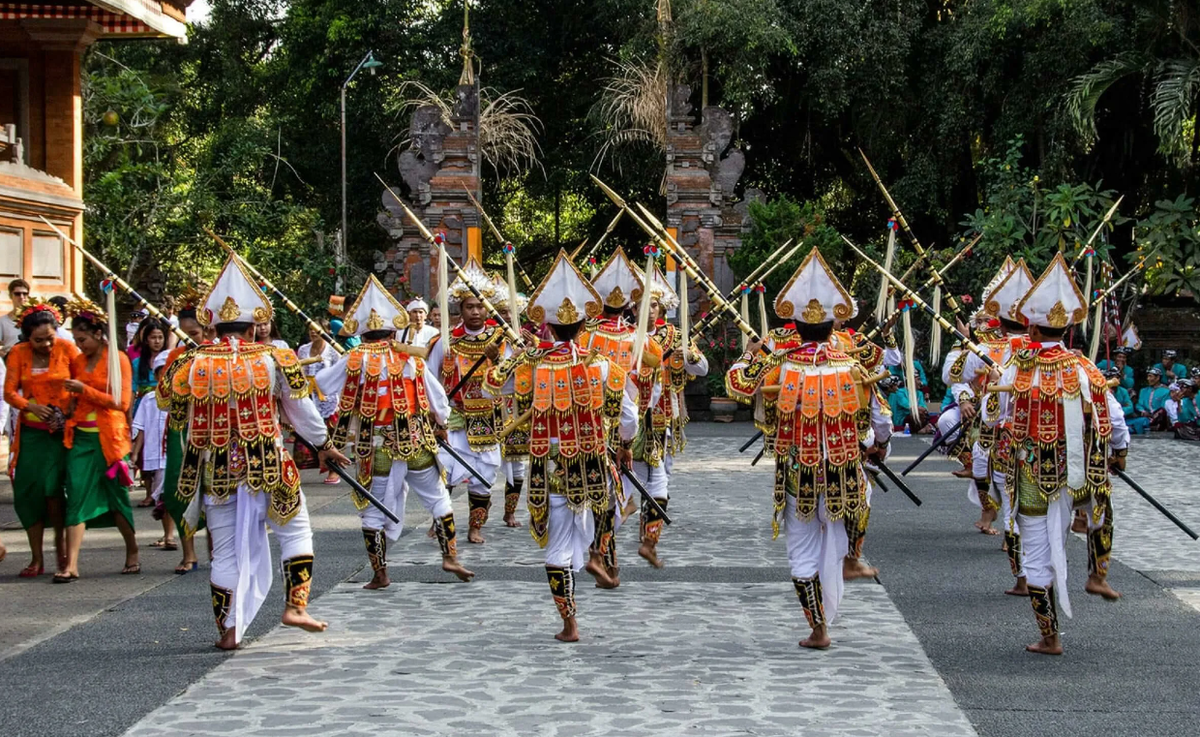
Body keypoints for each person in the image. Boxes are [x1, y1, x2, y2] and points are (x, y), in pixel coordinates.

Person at [160, 256, 348, 649]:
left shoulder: (189, 362)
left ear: (212, 322)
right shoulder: (273, 357)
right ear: (253, 324)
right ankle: (295, 607)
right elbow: (301, 411)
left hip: (215, 471)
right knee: (295, 531)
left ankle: (228, 631)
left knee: (225, 550)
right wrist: (324, 446)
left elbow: (175, 413)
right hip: (269, 463)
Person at [726, 248, 882, 650]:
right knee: (851, 513)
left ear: (793, 323)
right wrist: (877, 444)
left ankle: (819, 629)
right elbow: (878, 419)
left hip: (798, 473)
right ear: (837, 324)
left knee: (801, 551)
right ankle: (850, 561)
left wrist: (751, 353)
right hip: (846, 471)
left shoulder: (781, 362)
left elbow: (737, 384)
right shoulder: (852, 363)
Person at [483, 251, 639, 641]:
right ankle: (595, 556)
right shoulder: (599, 363)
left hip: (545, 467)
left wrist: (507, 356)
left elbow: (490, 385)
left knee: (556, 547)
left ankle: (570, 622)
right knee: (606, 510)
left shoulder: (529, 363)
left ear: (547, 325)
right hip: (590, 463)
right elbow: (629, 416)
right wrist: (625, 444)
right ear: (584, 324)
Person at [984, 253, 1129, 655]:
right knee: (1102, 508)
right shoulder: (1085, 368)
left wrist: (996, 392)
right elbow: (1115, 421)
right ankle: (1097, 573)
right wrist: (1119, 454)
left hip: (1031, 473)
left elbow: (991, 414)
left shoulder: (1015, 367)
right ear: (1066, 329)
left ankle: (1050, 636)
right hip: (1079, 474)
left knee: (1036, 555)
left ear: (1030, 325)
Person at [316, 276, 474, 589]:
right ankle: (450, 555)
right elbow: (437, 397)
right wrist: (441, 424)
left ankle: (380, 573)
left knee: (373, 510)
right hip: (416, 439)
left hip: (374, 444)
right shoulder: (409, 358)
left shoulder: (354, 358)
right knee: (438, 499)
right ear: (393, 329)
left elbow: (322, 385)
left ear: (363, 331)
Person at [577, 249, 662, 587]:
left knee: (607, 493)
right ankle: (600, 557)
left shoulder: (585, 336)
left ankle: (608, 566)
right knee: (614, 496)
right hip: (623, 421)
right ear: (629, 304)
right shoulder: (636, 337)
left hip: (588, 422)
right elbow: (655, 363)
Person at [952, 258, 1033, 549]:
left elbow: (954, 373)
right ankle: (1000, 518)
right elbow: (957, 377)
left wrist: (965, 345)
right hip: (998, 426)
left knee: (1011, 479)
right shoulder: (989, 348)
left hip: (1011, 426)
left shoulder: (989, 348)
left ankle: (1016, 533)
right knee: (991, 472)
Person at [427, 259, 510, 544]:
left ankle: (475, 527)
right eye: (469, 307)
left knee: (484, 475)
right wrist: (433, 414)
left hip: (487, 416)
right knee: (445, 469)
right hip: (455, 415)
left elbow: (512, 379)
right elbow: (431, 377)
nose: (475, 311)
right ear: (460, 310)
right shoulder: (445, 341)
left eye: (480, 306)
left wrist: (497, 359)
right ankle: (440, 519)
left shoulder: (501, 339)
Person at [630, 263, 707, 568]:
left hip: (664, 415)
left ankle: (648, 531)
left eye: (654, 305)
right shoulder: (624, 337)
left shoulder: (674, 336)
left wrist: (689, 356)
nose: (648, 310)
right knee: (637, 476)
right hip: (632, 416)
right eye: (643, 305)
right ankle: (639, 529)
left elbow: (701, 369)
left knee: (662, 473)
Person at [60, 295, 138, 582]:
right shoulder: (78, 361)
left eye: (83, 339)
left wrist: (85, 390)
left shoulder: (118, 358)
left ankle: (132, 550)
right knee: (76, 496)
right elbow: (74, 396)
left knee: (117, 499)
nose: (80, 346)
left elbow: (123, 403)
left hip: (111, 442)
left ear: (97, 334)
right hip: (80, 437)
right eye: (76, 340)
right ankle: (72, 564)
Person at [3, 297, 78, 578]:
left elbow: (81, 383)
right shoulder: (18, 353)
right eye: (39, 340)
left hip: (59, 434)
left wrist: (67, 410)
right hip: (31, 436)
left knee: (52, 490)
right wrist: (30, 406)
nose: (46, 345)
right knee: (27, 493)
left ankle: (60, 545)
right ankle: (36, 558)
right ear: (27, 338)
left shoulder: (67, 348)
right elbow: (9, 393)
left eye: (49, 338)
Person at [132, 351, 174, 551]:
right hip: (154, 456)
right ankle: (168, 534)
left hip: (173, 455)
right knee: (161, 497)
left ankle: (171, 535)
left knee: (169, 495)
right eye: (161, 373)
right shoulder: (149, 399)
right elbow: (140, 428)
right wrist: (134, 453)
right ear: (156, 375)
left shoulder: (181, 397)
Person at [296, 320, 341, 484]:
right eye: (311, 330)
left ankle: (333, 470)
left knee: (331, 434)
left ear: (326, 331)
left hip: (328, 396)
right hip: (308, 394)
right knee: (306, 431)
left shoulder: (333, 351)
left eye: (317, 330)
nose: (313, 332)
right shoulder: (303, 350)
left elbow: (338, 373)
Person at [1, 278, 32, 443]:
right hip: (10, 377)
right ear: (11, 296)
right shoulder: (3, 322)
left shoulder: (34, 321)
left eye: (25, 294)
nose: (22, 297)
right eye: (17, 294)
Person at [1130, 367, 1171, 433]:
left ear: (1157, 378)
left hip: (1158, 418)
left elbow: (1164, 407)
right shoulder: (1143, 390)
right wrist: (1143, 411)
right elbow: (1139, 404)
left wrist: (1153, 414)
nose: (1148, 379)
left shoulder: (1166, 391)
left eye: (1150, 376)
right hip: (1145, 416)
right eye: (1148, 376)